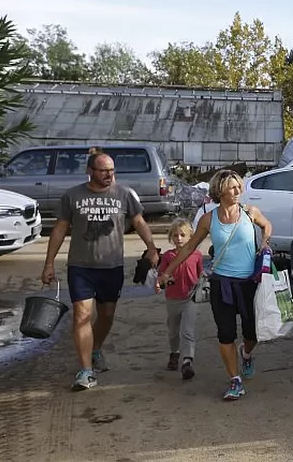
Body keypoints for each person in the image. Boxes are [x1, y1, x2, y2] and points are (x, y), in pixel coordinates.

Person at [42, 147, 159, 391]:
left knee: (106, 315)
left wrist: (152, 247)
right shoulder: (72, 196)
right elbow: (60, 229)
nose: (109, 175)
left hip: (111, 266)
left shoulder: (124, 194)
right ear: (90, 171)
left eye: (112, 171)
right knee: (82, 316)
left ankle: (95, 349)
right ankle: (85, 371)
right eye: (103, 171)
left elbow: (139, 222)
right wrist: (49, 263)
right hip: (80, 267)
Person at [158, 169, 272, 401]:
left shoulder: (250, 212)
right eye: (232, 187)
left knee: (252, 333)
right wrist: (168, 271)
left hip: (249, 283)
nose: (238, 191)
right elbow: (189, 247)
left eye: (239, 186)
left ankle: (246, 353)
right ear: (220, 191)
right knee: (225, 334)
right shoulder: (209, 220)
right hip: (222, 283)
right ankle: (235, 380)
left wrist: (265, 243)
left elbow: (266, 225)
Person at [155, 218, 203, 380]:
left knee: (188, 330)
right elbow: (162, 275)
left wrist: (202, 284)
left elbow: (200, 274)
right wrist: (163, 281)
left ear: (191, 237)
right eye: (175, 236)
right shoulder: (168, 256)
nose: (179, 239)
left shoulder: (196, 255)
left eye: (183, 235)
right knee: (173, 331)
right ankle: (174, 353)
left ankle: (187, 361)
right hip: (173, 298)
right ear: (171, 238)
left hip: (191, 297)